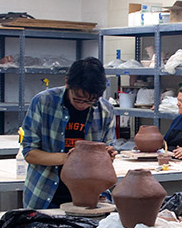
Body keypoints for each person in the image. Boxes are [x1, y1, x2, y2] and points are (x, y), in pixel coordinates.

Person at [21, 57, 116, 209]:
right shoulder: (43, 102)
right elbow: (29, 153)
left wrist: (108, 155)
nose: (83, 105)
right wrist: (70, 159)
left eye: (90, 101)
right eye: (78, 99)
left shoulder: (105, 110)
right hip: (46, 195)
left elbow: (108, 150)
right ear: (67, 82)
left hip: (92, 198)